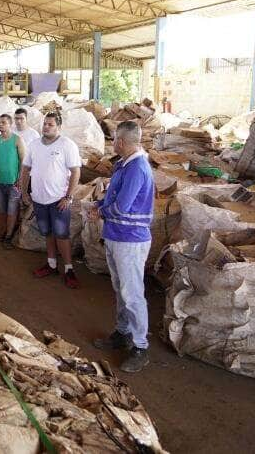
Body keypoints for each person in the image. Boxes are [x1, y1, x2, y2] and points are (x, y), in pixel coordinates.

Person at [89, 121, 155, 373]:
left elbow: (121, 206)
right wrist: (100, 205)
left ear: (123, 142)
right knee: (121, 288)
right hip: (117, 236)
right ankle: (123, 332)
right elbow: (114, 196)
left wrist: (101, 211)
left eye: (116, 139)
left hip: (130, 239)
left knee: (132, 292)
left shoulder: (137, 168)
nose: (113, 143)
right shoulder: (123, 165)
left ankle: (140, 346)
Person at [21, 111, 81, 289]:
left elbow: (76, 171)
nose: (46, 127)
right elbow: (26, 169)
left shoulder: (67, 145)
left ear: (59, 127)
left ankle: (69, 269)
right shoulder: (33, 145)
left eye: (50, 124)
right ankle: (52, 264)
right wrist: (24, 192)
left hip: (58, 200)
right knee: (47, 233)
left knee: (62, 235)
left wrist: (68, 196)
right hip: (39, 199)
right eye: (45, 124)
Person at [0, 114, 25, 249]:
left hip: (14, 183)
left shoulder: (17, 140)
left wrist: (20, 179)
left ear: (10, 124)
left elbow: (23, 161)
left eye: (3, 122)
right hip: (0, 182)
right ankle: (7, 231)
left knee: (11, 211)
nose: (0, 124)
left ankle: (9, 236)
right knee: (3, 211)